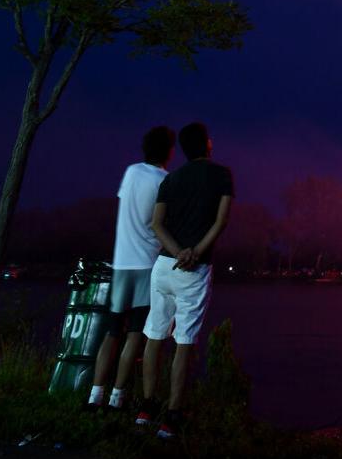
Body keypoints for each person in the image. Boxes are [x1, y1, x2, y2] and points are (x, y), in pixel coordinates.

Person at [136, 122, 233, 440]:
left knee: (154, 335)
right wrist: (194, 254)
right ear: (206, 144)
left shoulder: (171, 179)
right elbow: (220, 222)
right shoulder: (222, 175)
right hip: (194, 270)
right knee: (184, 341)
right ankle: (173, 416)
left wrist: (177, 251)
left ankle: (147, 407)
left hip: (164, 266)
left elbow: (156, 224)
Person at [87, 125, 174, 412]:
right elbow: (162, 222)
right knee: (135, 335)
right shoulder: (166, 181)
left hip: (121, 263)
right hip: (147, 266)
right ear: (169, 152)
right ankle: (117, 398)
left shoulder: (131, 172)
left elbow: (125, 206)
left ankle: (94, 396)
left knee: (112, 332)